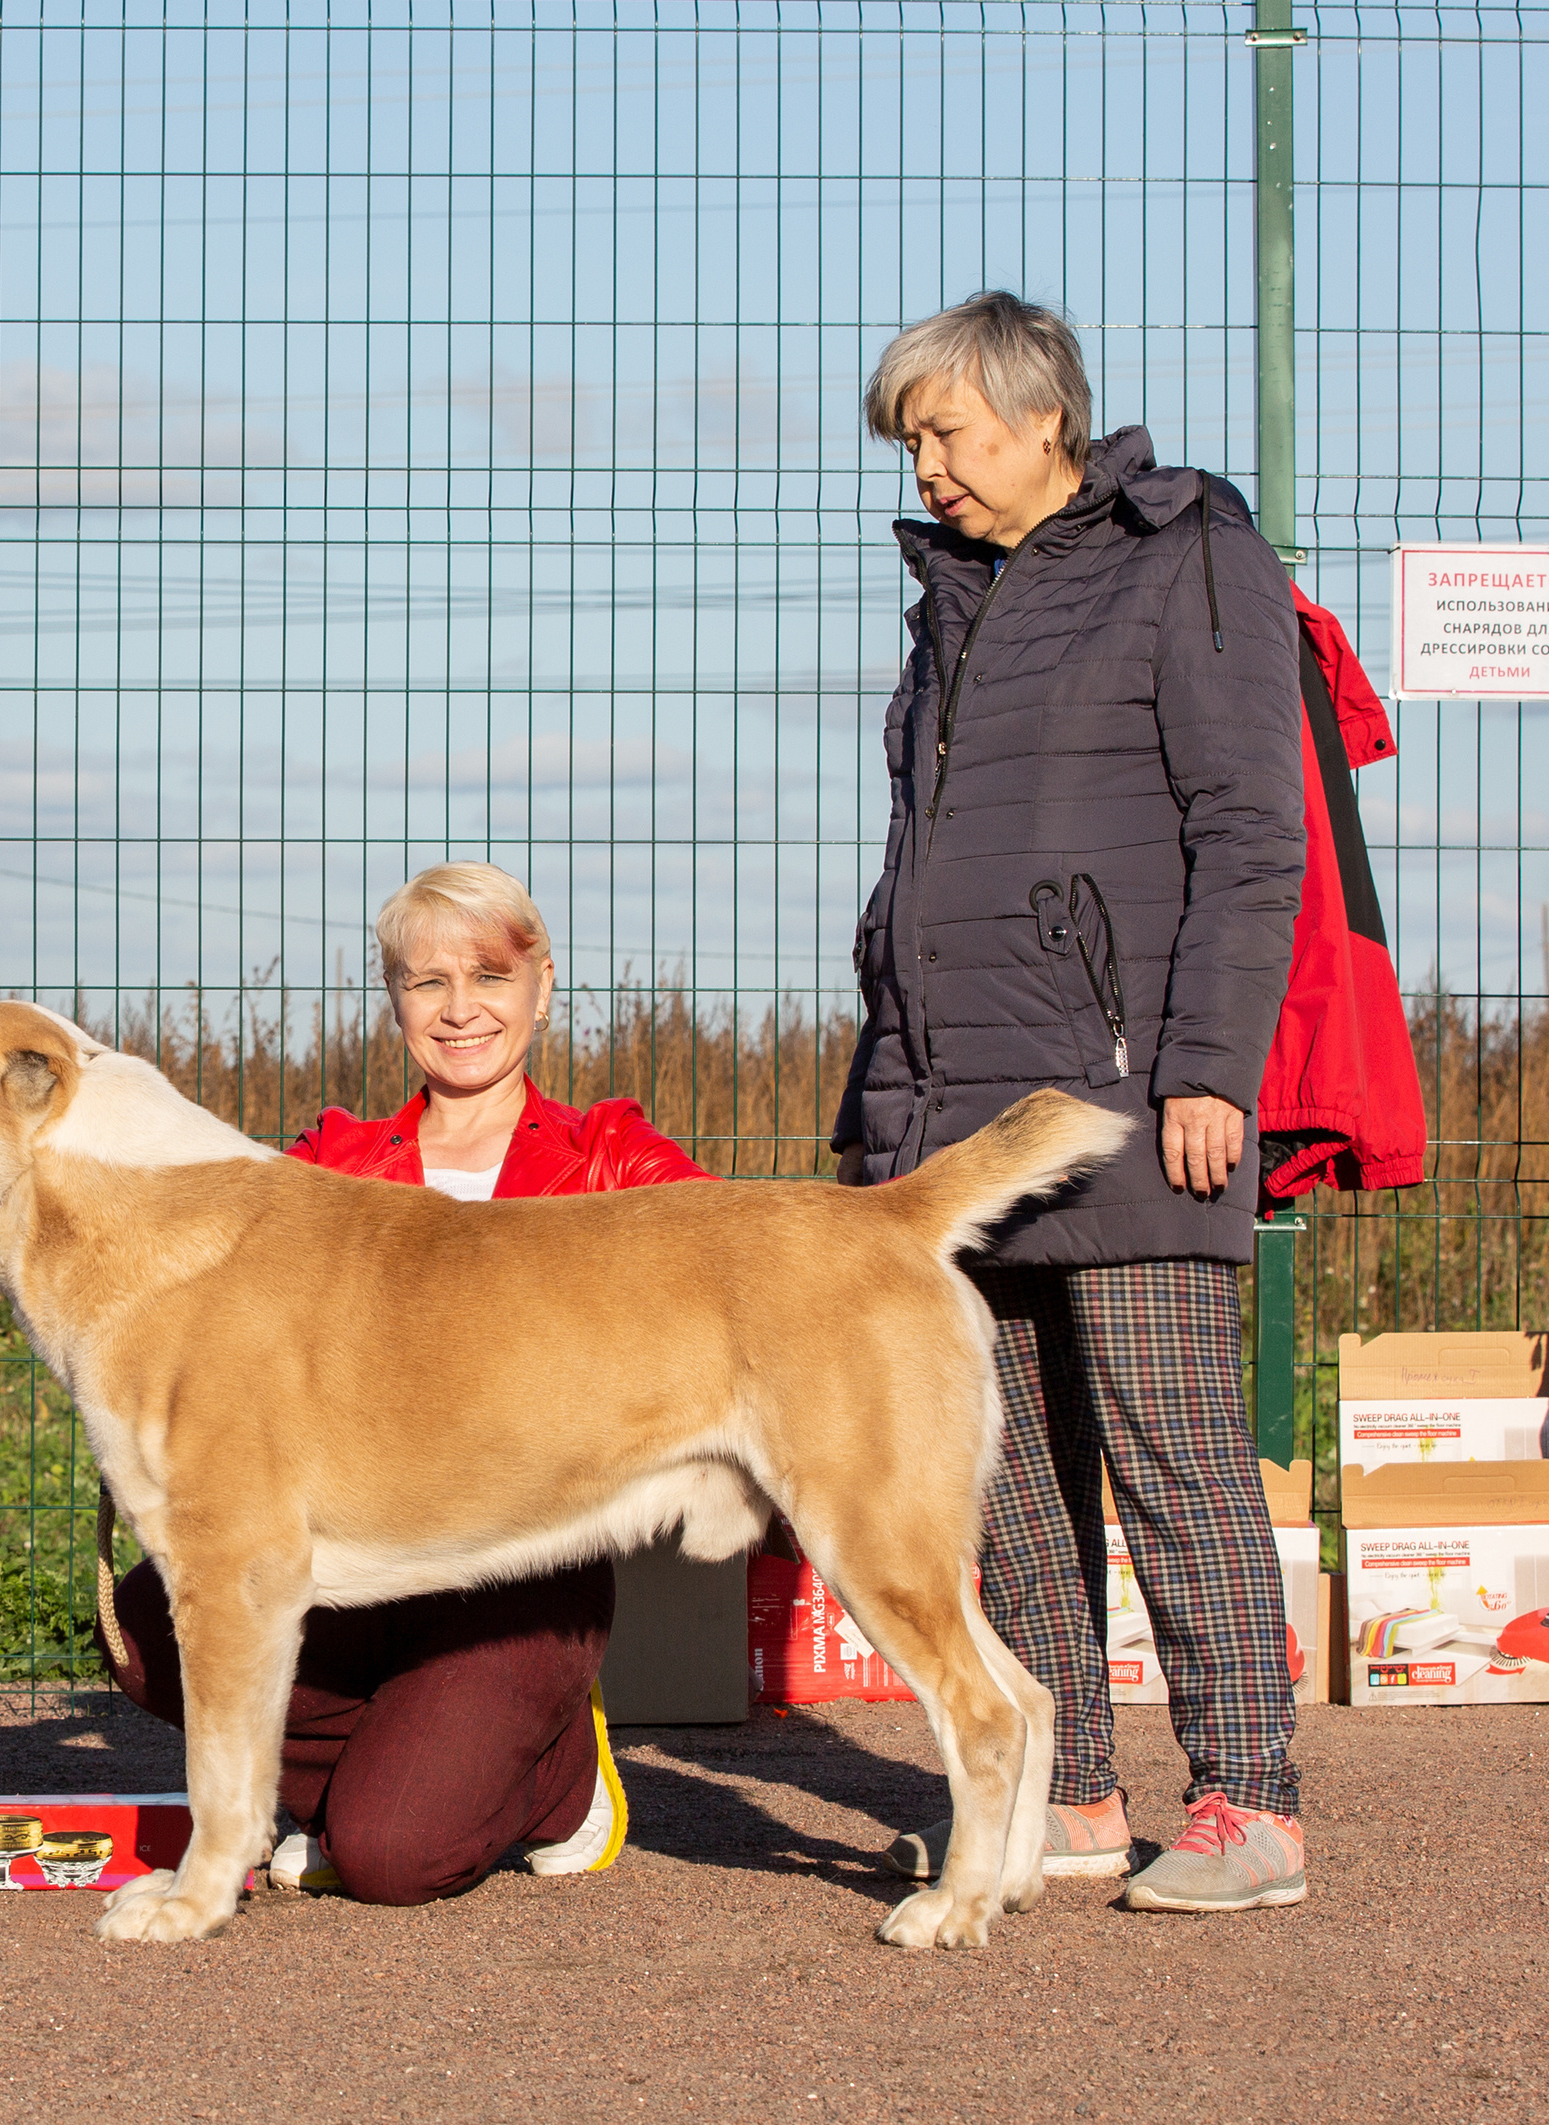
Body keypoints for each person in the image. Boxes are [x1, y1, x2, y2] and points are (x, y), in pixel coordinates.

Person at [836, 292, 1308, 1912]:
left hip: (1130, 1096)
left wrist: (1206, 1069)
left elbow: (1253, 832)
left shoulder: (1189, 556)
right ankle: (1073, 1791)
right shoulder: (950, 599)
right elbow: (920, 885)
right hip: (963, 1124)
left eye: (947, 431)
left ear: (1046, 419)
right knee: (1012, 1474)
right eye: (912, 439)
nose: (928, 465)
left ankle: (1250, 1804)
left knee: (1173, 1449)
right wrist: (886, 1120)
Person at [101, 862, 710, 1905]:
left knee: (390, 1857)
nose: (461, 1007)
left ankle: (556, 1777)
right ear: (394, 1000)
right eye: (428, 982)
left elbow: (726, 1310)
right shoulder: (326, 1161)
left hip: (521, 1571)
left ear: (542, 985)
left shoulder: (615, 1157)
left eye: (489, 974)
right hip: (354, 1546)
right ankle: (375, 1767)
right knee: (158, 1616)